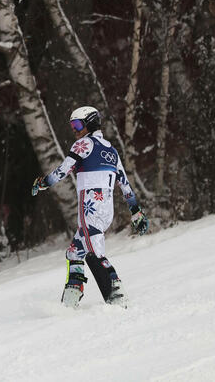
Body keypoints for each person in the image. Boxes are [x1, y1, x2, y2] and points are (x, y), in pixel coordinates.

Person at [30, 106, 150, 307]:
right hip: (106, 210)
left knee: (95, 252)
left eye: (78, 125)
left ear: (91, 124)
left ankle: (117, 297)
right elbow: (125, 184)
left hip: (90, 208)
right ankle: (72, 295)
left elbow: (64, 169)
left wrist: (44, 182)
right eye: (72, 125)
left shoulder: (83, 144)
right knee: (75, 251)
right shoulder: (111, 151)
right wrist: (136, 211)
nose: (74, 130)